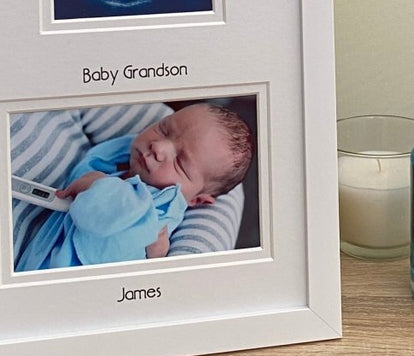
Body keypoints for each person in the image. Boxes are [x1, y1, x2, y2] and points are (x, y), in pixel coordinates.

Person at [17, 103, 253, 271]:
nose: (159, 147)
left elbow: (107, 223)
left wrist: (98, 185)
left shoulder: (161, 204)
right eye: (163, 129)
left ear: (197, 200)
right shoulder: (128, 168)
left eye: (180, 162)